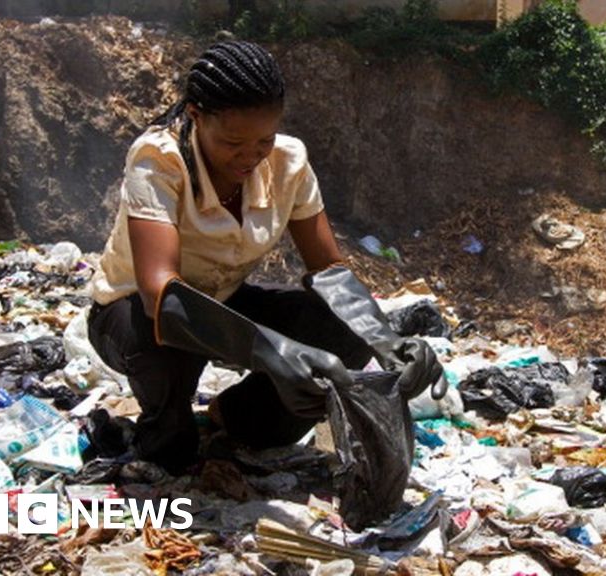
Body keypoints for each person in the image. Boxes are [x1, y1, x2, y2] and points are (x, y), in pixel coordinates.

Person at [87, 40, 446, 475]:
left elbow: (331, 272)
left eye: (264, 140)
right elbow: (160, 292)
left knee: (339, 328)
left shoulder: (286, 162)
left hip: (224, 300)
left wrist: (387, 340)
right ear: (196, 117)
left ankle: (233, 418)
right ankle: (165, 428)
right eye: (233, 142)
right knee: (172, 443)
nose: (251, 156)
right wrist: (272, 349)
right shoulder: (158, 160)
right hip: (133, 316)